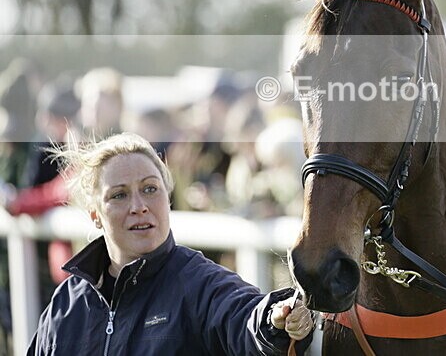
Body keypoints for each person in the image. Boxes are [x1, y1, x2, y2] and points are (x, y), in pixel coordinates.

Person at [28, 132, 314, 355]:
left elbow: (246, 322)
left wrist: (275, 320)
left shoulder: (200, 284)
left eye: (150, 189)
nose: (139, 206)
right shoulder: (67, 303)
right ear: (95, 215)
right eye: (119, 195)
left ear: (167, 198)